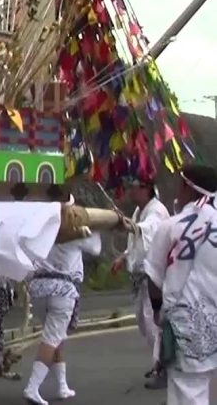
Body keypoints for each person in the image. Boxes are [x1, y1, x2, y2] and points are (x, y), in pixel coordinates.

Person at [145, 163, 217, 405]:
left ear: (187, 186)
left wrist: (156, 309)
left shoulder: (171, 226)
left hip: (187, 325)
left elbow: (153, 277)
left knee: (189, 392)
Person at [22, 204, 101, 405]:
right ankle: (32, 387)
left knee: (56, 337)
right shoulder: (77, 232)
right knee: (52, 338)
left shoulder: (38, 228)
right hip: (62, 289)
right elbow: (96, 249)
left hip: (39, 288)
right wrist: (97, 227)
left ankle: (62, 386)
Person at [110, 176, 170, 389]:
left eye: (134, 188)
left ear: (146, 189)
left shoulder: (157, 211)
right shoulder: (138, 211)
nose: (131, 191)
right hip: (139, 276)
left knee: (153, 321)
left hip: (152, 276)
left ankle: (162, 366)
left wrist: (124, 223)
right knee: (145, 323)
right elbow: (136, 238)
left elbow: (147, 230)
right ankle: (159, 364)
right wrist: (123, 257)